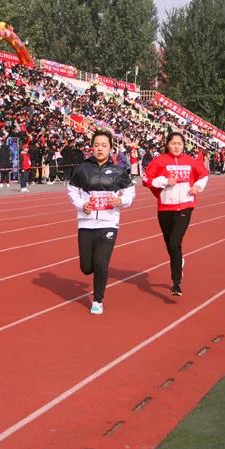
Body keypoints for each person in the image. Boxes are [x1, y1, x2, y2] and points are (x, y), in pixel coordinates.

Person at [68, 130, 135, 315]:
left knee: (101, 264)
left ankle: (98, 300)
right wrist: (81, 205)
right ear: (92, 147)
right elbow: (72, 190)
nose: (100, 148)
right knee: (86, 268)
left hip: (108, 223)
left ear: (110, 148)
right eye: (97, 145)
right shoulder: (82, 169)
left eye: (104, 145)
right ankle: (92, 279)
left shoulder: (118, 171)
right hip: (86, 223)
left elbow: (130, 192)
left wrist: (121, 200)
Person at [143, 132, 210, 296]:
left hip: (185, 206)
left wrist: (198, 187)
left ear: (184, 145)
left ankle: (176, 283)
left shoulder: (190, 161)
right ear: (167, 144)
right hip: (165, 207)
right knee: (170, 244)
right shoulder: (160, 161)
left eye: (179, 143)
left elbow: (204, 174)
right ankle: (179, 261)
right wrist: (165, 181)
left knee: (174, 242)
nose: (176, 146)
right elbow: (146, 180)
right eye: (173, 143)